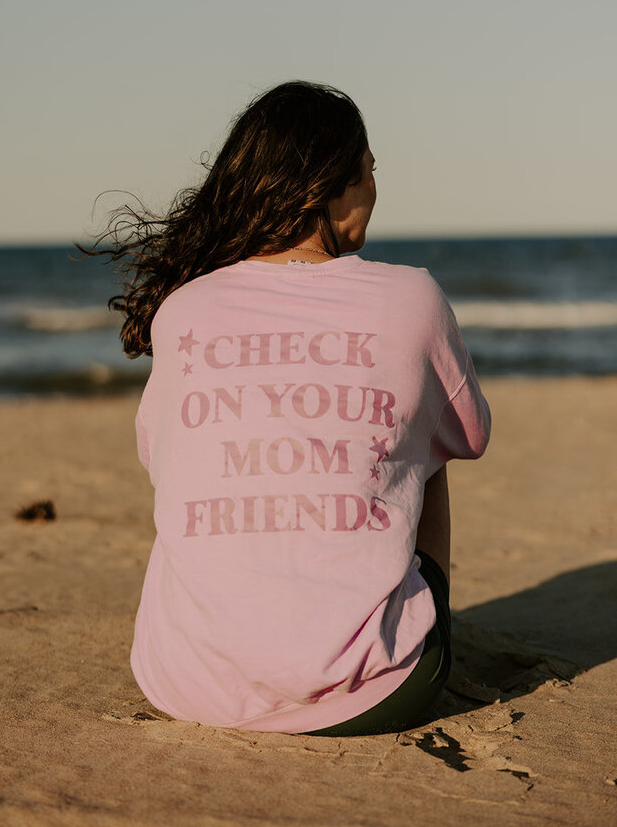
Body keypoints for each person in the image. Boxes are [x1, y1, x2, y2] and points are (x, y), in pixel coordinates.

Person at [95, 80, 491, 735]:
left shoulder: (185, 308)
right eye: (368, 171)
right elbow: (469, 435)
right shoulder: (410, 295)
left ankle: (234, 635)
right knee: (428, 446)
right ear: (331, 185)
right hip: (377, 692)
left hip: (188, 685)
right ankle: (390, 633)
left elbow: (157, 457)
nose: (373, 190)